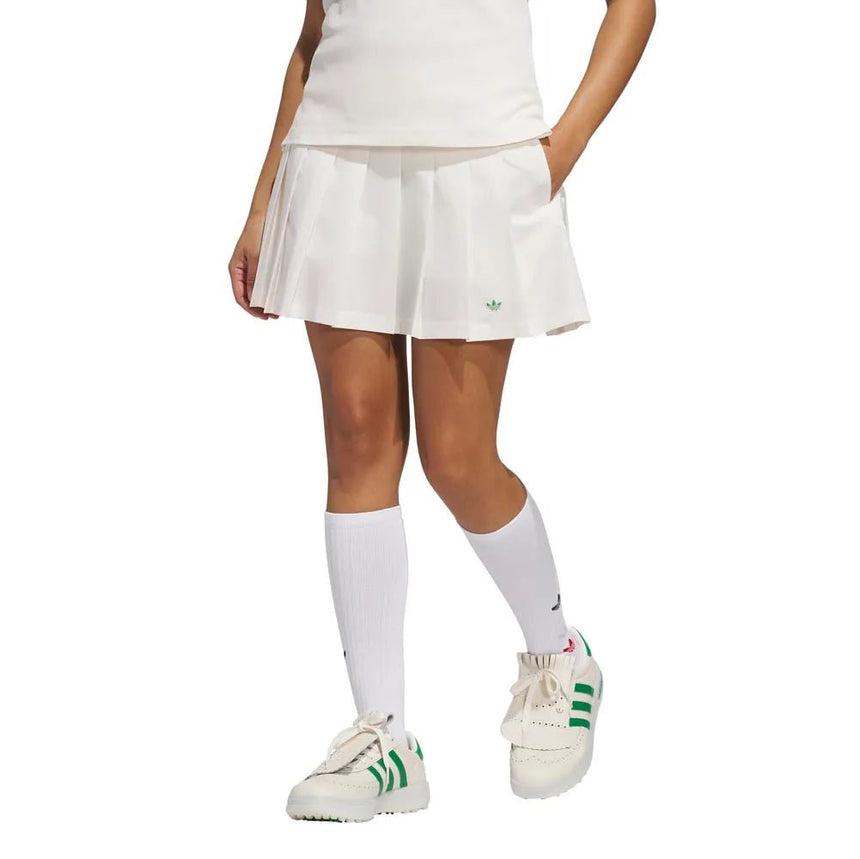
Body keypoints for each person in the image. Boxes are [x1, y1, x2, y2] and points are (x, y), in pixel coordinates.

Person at [228, 0, 655, 822]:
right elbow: (315, 33)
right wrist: (261, 203)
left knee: (458, 458)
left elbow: (631, 8)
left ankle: (560, 654)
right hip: (334, 157)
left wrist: (558, 152)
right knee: (356, 439)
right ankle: (383, 735)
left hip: (479, 155)